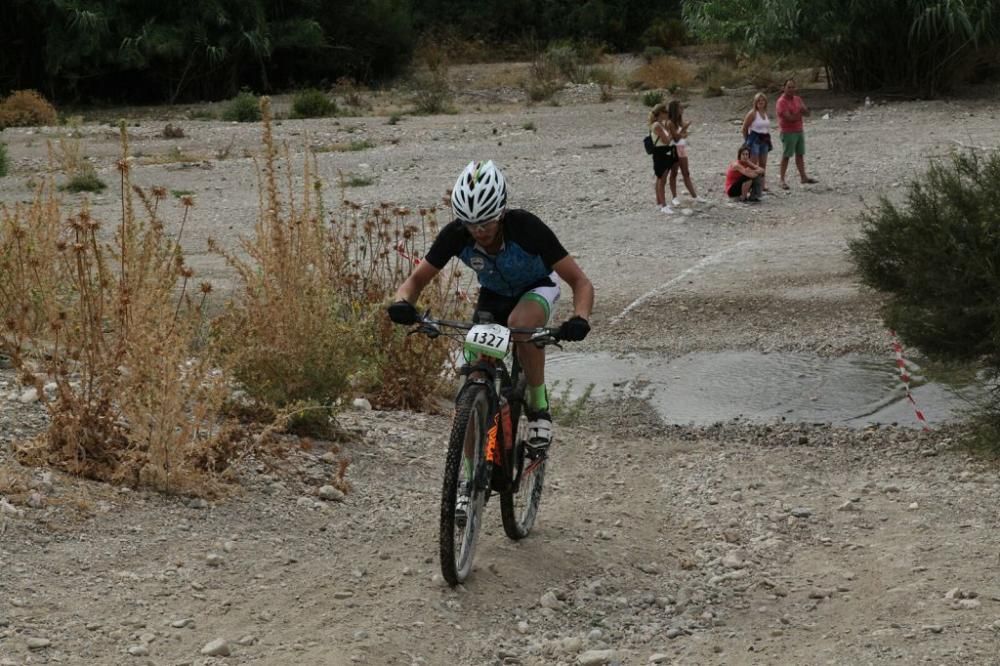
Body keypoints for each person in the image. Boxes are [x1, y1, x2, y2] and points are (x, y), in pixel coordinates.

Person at [387, 160, 594, 459]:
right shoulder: (457, 234)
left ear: (502, 212)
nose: (479, 231)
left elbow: (581, 282)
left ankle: (539, 407)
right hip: (493, 296)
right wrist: (403, 303)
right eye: (471, 224)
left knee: (519, 324)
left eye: (486, 222)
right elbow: (415, 281)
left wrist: (580, 318)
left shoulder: (526, 228)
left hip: (537, 287)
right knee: (472, 369)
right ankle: (467, 482)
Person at [775, 78, 818, 189]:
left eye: (793, 87)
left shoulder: (797, 99)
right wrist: (800, 113)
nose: (791, 89)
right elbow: (789, 118)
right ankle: (782, 180)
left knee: (800, 154)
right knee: (787, 155)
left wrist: (800, 113)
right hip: (788, 132)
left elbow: (807, 113)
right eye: (789, 87)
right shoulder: (781, 102)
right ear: (784, 88)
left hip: (799, 130)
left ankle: (803, 177)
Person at [664, 100, 707, 206]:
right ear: (675, 109)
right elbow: (677, 138)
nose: (682, 110)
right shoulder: (669, 122)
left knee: (686, 173)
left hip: (682, 148)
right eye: (680, 108)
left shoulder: (678, 121)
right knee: (673, 173)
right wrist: (684, 129)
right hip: (674, 149)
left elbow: (683, 135)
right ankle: (674, 197)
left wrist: (683, 132)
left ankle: (695, 196)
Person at [741, 92, 772, 192]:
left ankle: (762, 184)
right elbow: (744, 128)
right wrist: (747, 140)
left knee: (763, 164)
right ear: (755, 102)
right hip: (755, 139)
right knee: (752, 164)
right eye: (758, 100)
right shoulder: (753, 113)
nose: (761, 102)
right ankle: (749, 184)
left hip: (765, 139)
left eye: (762, 100)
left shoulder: (765, 113)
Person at [648, 103, 676, 214]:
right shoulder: (657, 126)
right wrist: (671, 133)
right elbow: (666, 140)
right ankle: (663, 205)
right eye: (666, 112)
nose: (667, 114)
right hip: (661, 153)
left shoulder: (660, 124)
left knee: (660, 178)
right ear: (661, 113)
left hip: (664, 152)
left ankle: (659, 202)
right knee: (662, 179)